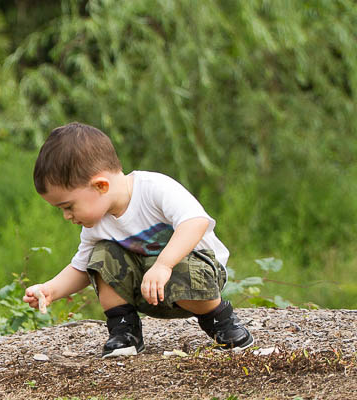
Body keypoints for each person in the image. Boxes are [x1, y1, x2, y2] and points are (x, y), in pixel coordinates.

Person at [21, 122, 254, 358]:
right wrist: (50, 289)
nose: (67, 216)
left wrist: (164, 265)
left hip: (198, 277)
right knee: (100, 255)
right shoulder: (98, 225)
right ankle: (124, 330)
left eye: (69, 206)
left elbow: (195, 222)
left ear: (100, 186)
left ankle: (220, 320)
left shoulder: (154, 189)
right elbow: (81, 267)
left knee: (171, 265)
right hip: (147, 288)